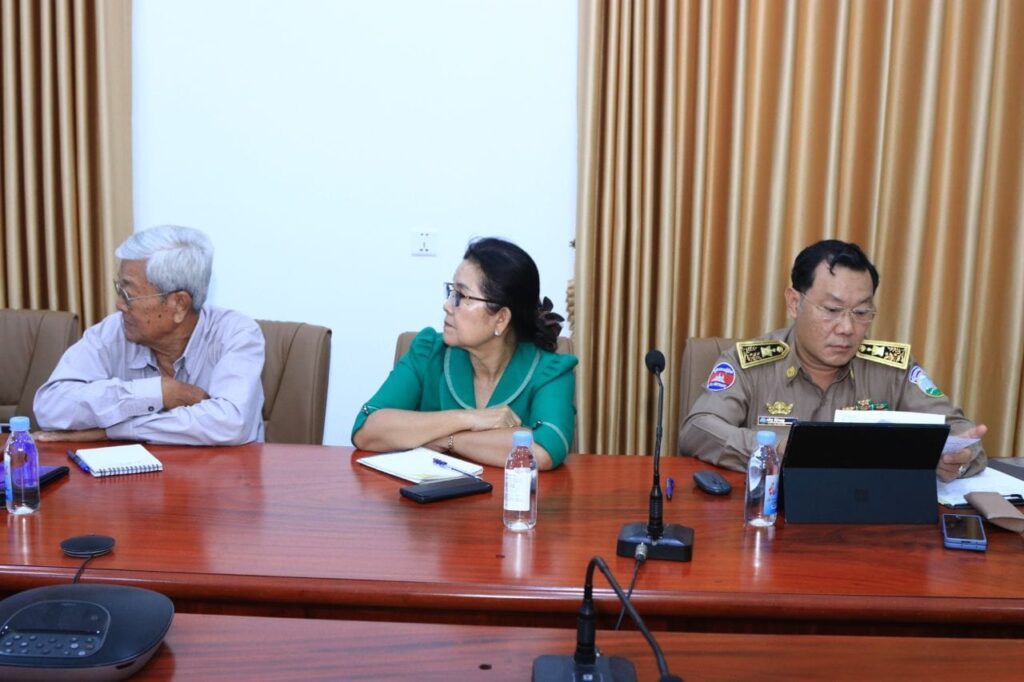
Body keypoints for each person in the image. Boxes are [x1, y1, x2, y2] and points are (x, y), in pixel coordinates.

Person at [678, 239, 986, 481]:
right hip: (774, 517)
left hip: (865, 520)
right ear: (794, 303)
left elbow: (961, 432)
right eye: (832, 310)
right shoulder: (749, 362)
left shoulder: (893, 369)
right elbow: (698, 429)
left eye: (861, 312)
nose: (847, 328)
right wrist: (772, 449)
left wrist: (956, 459)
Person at [352, 237, 576, 470]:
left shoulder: (550, 371)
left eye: (461, 296)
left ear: (501, 318)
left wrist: (447, 440)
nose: (447, 305)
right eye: (451, 291)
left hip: (511, 494)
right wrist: (467, 419)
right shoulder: (428, 352)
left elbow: (542, 451)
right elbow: (366, 430)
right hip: (431, 494)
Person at [33, 225, 265, 446]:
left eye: (128, 294)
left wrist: (113, 431)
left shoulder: (237, 334)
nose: (119, 304)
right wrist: (159, 393)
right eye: (119, 290)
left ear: (179, 304)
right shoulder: (113, 332)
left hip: (220, 473)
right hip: (134, 473)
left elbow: (230, 423)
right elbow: (50, 407)